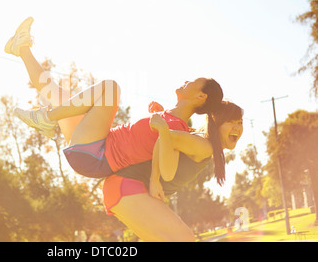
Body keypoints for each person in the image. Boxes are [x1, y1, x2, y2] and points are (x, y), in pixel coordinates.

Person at [5, 17, 226, 182]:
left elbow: (167, 168)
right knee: (56, 93)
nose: (186, 81)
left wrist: (163, 132)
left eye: (192, 82)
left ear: (200, 96)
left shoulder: (177, 131)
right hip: (92, 146)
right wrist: (159, 115)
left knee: (110, 89)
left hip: (96, 156)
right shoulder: (166, 118)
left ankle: (46, 117)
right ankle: (21, 47)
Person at [104, 100, 243, 241]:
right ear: (215, 122)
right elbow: (169, 137)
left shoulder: (198, 138)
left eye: (240, 122)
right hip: (127, 187)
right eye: (231, 122)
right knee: (184, 238)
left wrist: (162, 117)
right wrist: (154, 179)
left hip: (122, 188)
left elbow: (167, 137)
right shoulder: (205, 146)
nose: (237, 128)